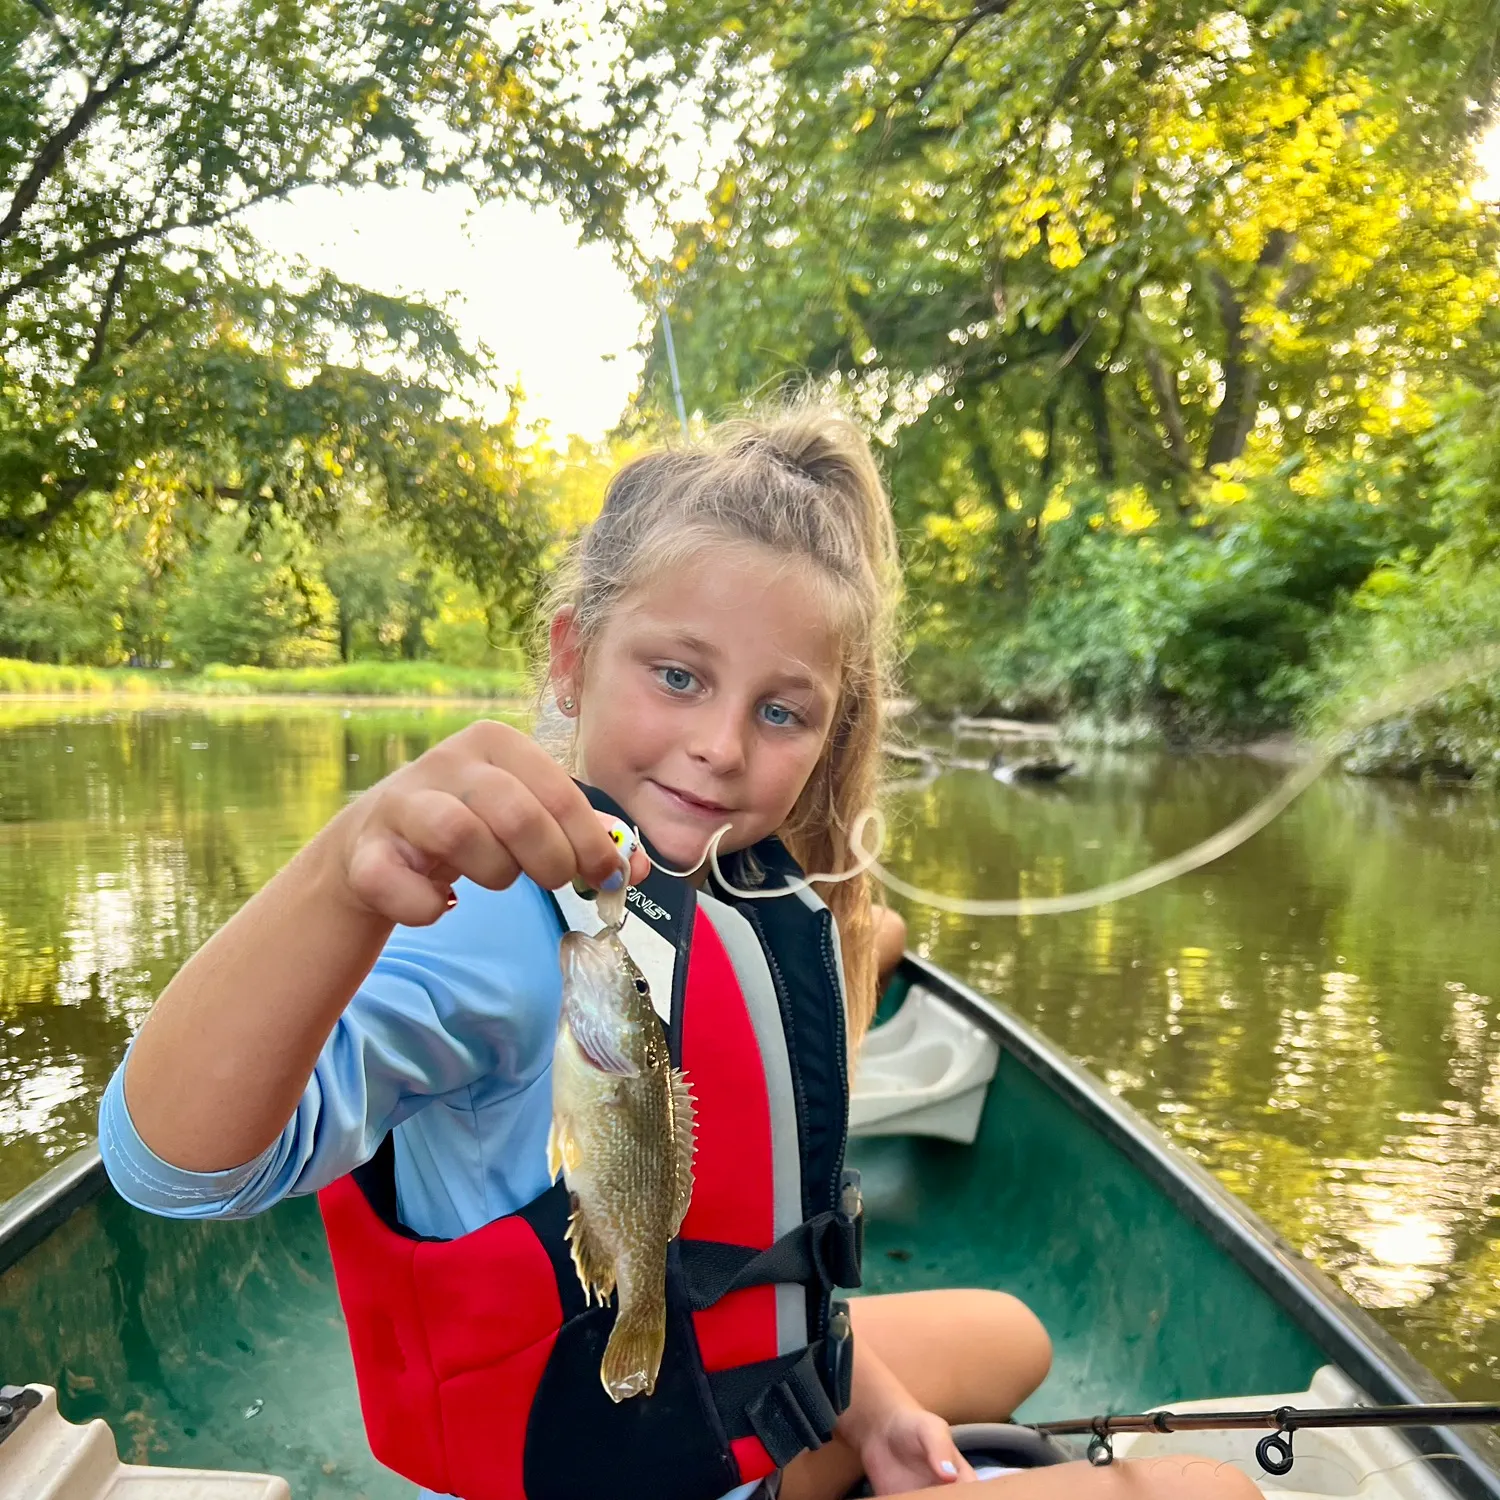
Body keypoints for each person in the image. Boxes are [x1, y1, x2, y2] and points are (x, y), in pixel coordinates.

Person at [98, 403, 1257, 1500]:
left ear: (828, 729)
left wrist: (871, 1405)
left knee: (1014, 1336)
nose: (718, 748)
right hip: (605, 1449)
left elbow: (816, 992)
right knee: (1201, 1485)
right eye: (679, 676)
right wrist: (343, 870)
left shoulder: (754, 890)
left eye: (781, 711)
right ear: (570, 659)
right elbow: (175, 1171)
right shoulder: (495, 922)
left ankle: (856, 1417)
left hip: (733, 1404)